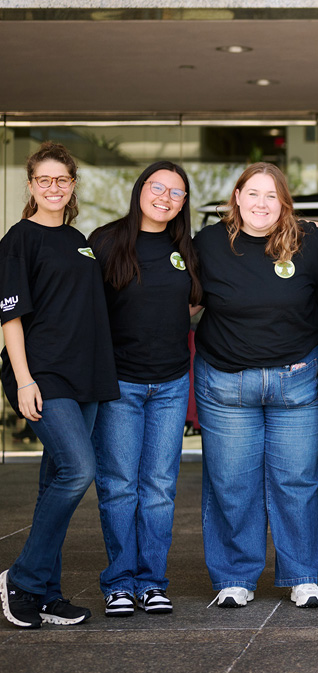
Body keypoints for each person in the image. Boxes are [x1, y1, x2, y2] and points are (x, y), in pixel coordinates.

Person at [191, 162, 318, 609]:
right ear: (236, 197)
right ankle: (235, 577)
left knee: (296, 480)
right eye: (253, 193)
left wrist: (312, 222)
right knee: (231, 483)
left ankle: (301, 575)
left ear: (285, 204)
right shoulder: (207, 243)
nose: (261, 204)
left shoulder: (308, 240)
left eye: (272, 196)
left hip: (295, 381)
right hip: (226, 383)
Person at [0, 141, 119, 629]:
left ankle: (47, 594)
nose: (53, 187)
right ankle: (22, 580)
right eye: (44, 180)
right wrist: (24, 379)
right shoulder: (19, 238)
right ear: (30, 185)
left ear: (72, 185)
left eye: (62, 180)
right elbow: (10, 316)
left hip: (84, 374)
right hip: (43, 374)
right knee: (77, 470)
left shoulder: (78, 239)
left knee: (55, 480)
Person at [89, 161, 203, 617]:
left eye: (176, 192)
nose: (166, 198)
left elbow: (195, 302)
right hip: (119, 384)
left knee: (158, 487)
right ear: (140, 190)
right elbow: (83, 309)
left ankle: (152, 581)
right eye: (158, 187)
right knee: (119, 486)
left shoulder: (186, 249)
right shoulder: (106, 241)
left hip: (172, 383)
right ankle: (119, 581)